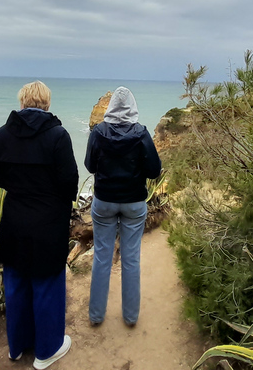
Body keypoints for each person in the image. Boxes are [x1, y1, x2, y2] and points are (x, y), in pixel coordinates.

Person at [0, 81, 78, 370]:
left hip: (14, 217)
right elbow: (69, 182)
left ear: (23, 101)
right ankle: (47, 350)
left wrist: (19, 187)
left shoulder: (3, 133)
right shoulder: (58, 135)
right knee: (46, 283)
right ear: (46, 103)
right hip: (48, 220)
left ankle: (17, 346)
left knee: (16, 282)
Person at [85, 86, 162, 327]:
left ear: (111, 109)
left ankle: (96, 316)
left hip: (104, 201)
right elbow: (154, 170)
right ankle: (130, 317)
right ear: (132, 107)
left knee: (101, 257)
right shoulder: (141, 133)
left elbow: (89, 166)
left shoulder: (98, 132)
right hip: (134, 203)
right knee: (131, 259)